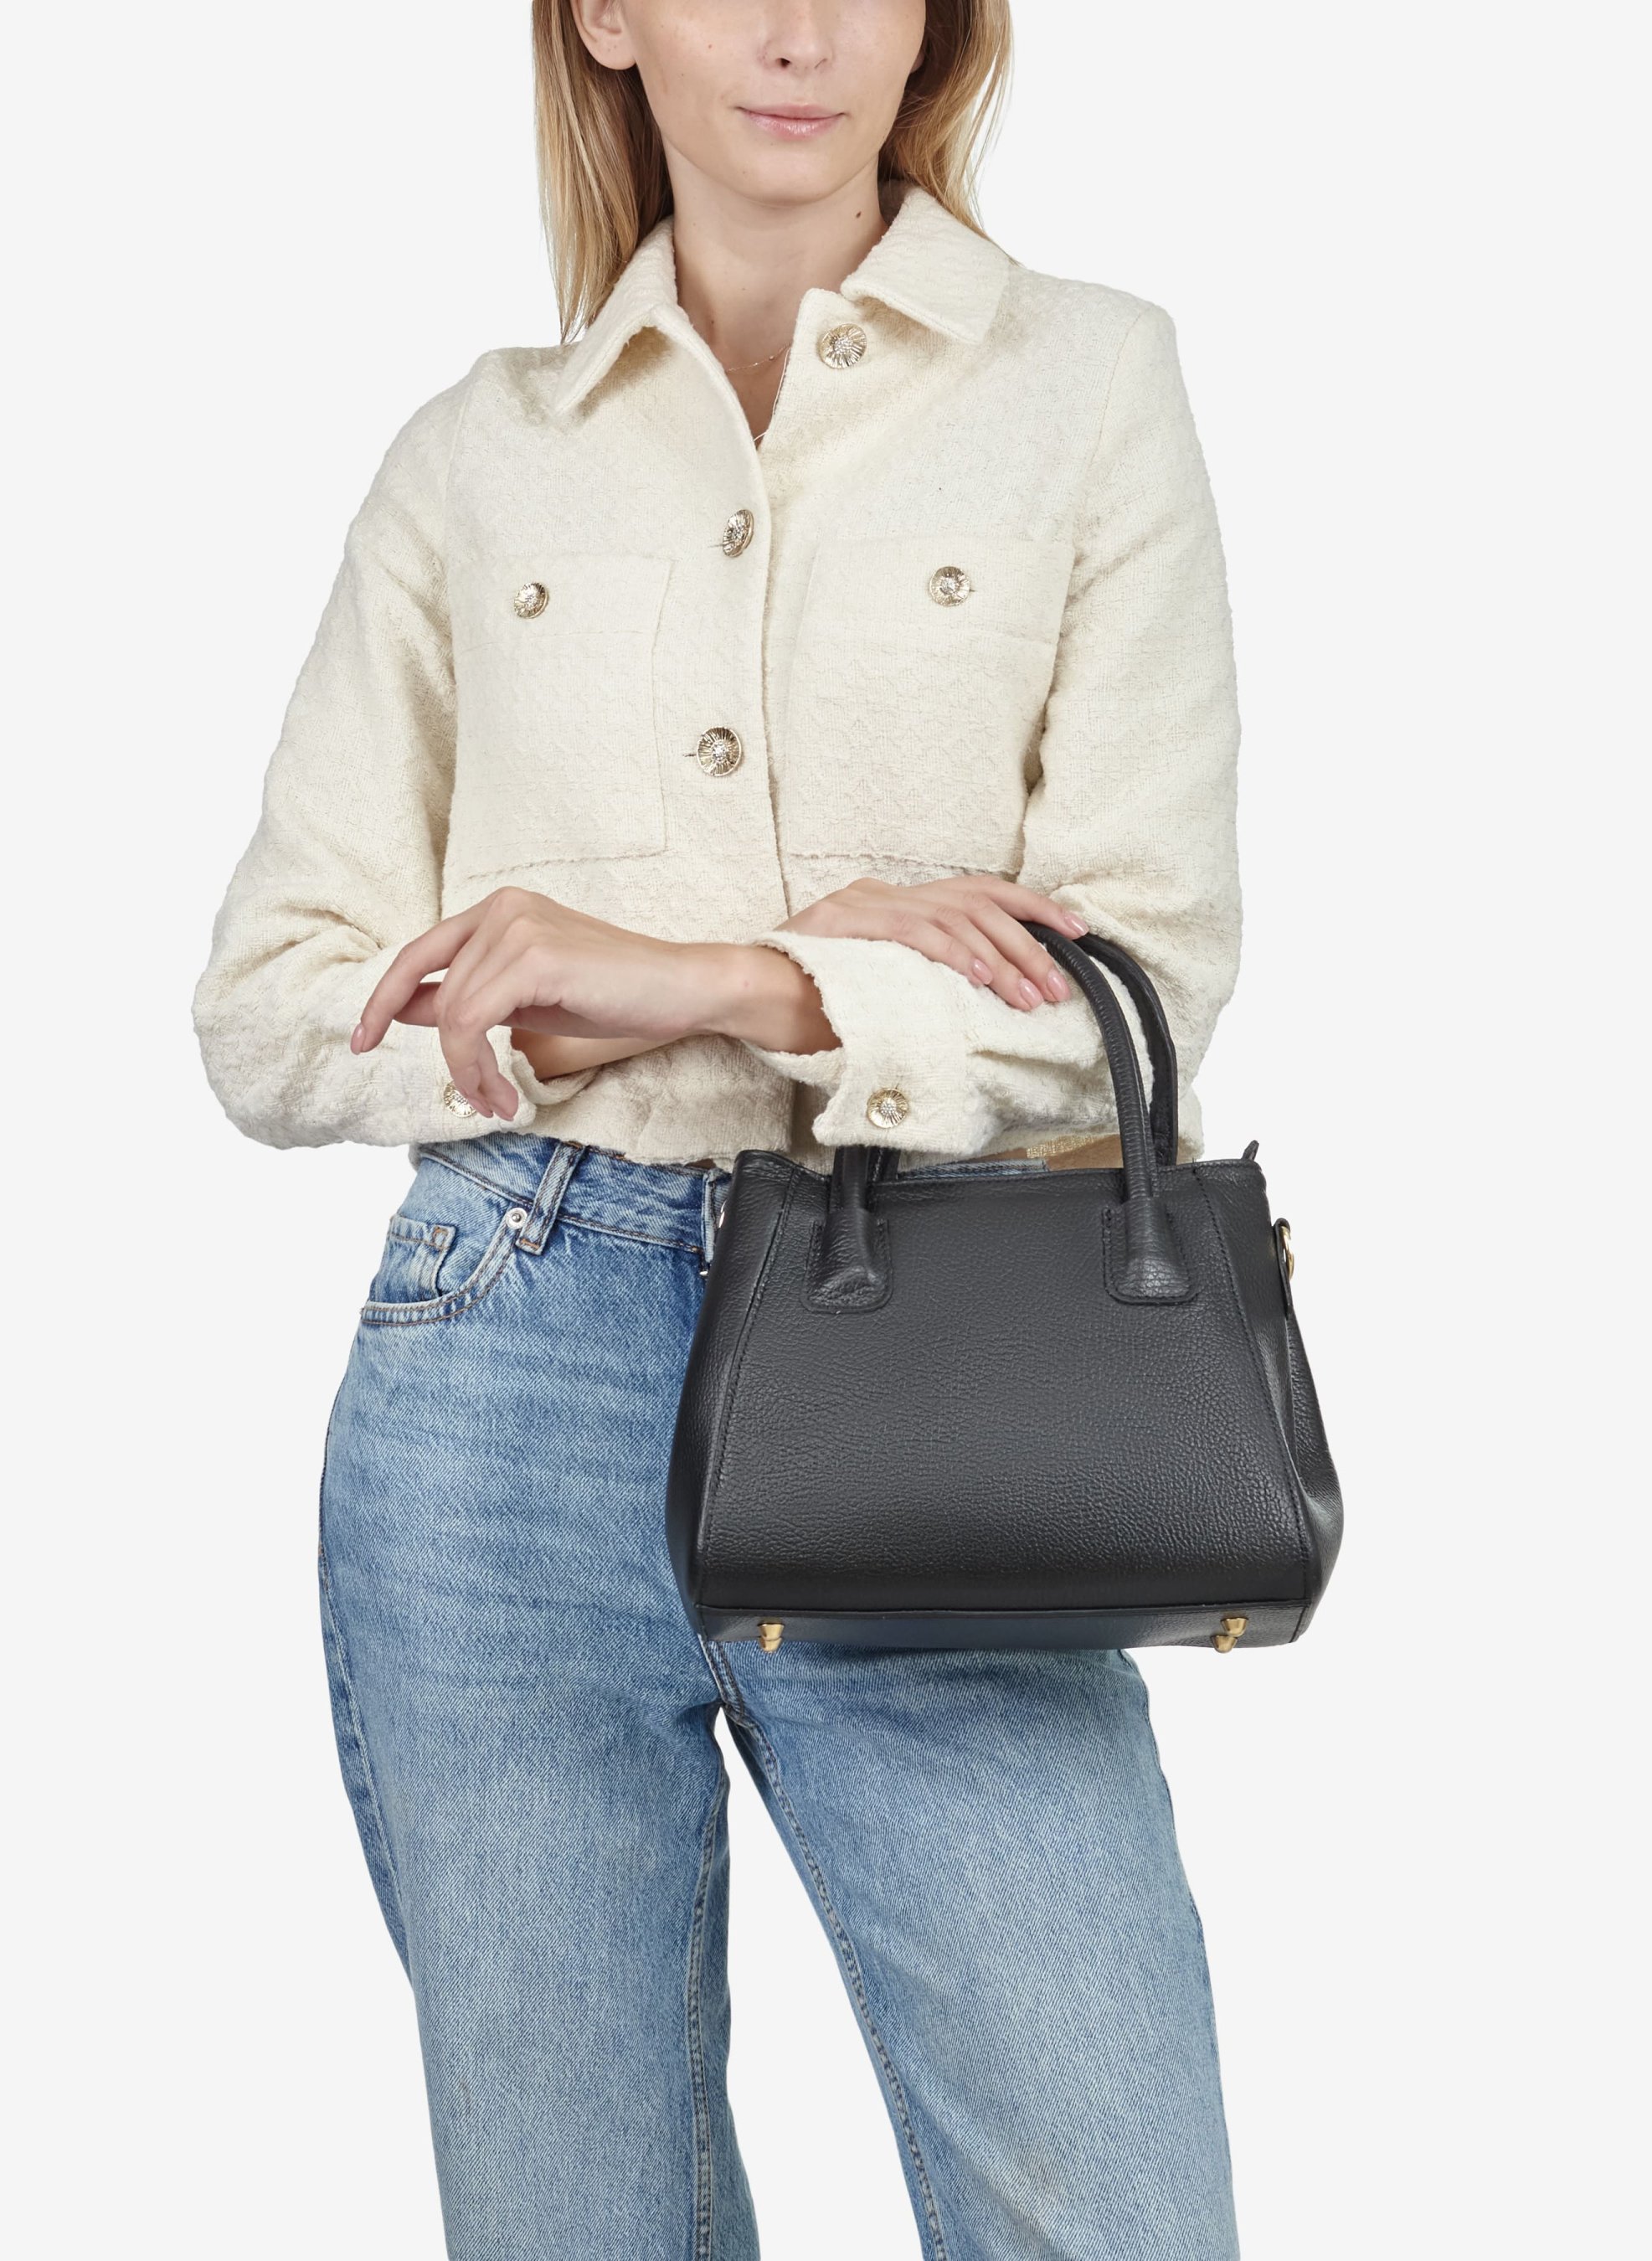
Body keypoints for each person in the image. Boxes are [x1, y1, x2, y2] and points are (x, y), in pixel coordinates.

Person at [193, 3, 1245, 2253]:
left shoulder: (1085, 384)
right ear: (603, 17)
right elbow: (273, 1009)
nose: (797, 31)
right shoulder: (476, 459)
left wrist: (723, 975)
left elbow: (1141, 970)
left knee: (1111, 2208)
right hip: (504, 1372)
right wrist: (637, 1000)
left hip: (940, 1364)